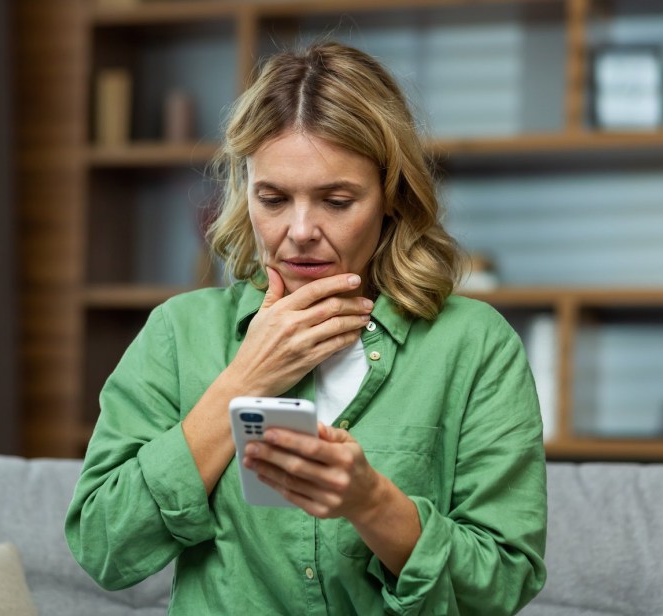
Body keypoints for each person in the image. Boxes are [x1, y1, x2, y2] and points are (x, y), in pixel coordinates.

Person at [66, 41, 547, 615]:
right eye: (272, 198)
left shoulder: (473, 345)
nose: (299, 231)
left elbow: (502, 583)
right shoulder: (179, 333)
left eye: (337, 201)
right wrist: (243, 380)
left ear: (391, 198)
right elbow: (104, 548)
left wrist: (373, 504)